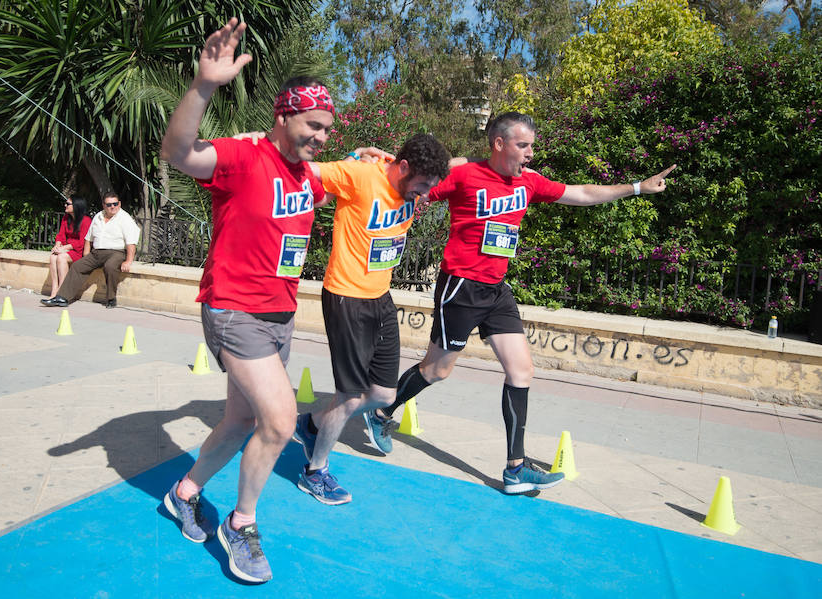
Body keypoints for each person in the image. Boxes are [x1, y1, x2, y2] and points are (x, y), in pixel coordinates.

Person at [157, 17, 377, 584]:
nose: (320, 136)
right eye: (312, 124)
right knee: (278, 423)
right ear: (283, 117)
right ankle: (242, 523)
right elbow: (178, 151)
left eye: (328, 128)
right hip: (233, 309)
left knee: (238, 420)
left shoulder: (311, 177)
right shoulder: (243, 157)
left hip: (279, 316)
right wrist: (204, 86)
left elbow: (358, 175)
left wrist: (374, 160)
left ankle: (184, 492)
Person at [363, 112, 677, 495]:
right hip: (461, 286)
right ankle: (380, 412)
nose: (530, 154)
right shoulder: (464, 175)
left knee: (522, 370)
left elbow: (579, 193)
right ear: (499, 144)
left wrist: (637, 187)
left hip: (496, 290)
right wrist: (385, 163)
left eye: (531, 146)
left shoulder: (529, 182)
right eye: (523, 146)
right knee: (436, 370)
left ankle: (515, 468)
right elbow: (416, 185)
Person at [291, 133, 450, 506]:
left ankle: (311, 425)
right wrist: (352, 155)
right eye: (423, 186)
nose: (426, 195)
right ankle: (314, 472)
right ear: (405, 168)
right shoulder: (360, 175)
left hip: (380, 297)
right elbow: (303, 171)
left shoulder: (405, 174)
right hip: (346, 296)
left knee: (382, 393)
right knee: (348, 396)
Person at [40, 192, 140, 308]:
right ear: (103, 205)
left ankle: (111, 298)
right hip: (97, 252)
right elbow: (88, 238)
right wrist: (86, 254)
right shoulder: (98, 216)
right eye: (109, 204)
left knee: (110, 266)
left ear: (119, 204)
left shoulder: (125, 219)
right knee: (78, 266)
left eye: (115, 204)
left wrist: (128, 261)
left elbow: (131, 242)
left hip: (116, 252)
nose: (112, 207)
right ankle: (62, 298)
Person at [46, 196, 91, 298]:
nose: (65, 205)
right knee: (53, 257)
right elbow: (61, 235)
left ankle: (62, 293)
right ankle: (54, 290)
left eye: (68, 204)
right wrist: (57, 245)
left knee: (61, 258)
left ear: (76, 206)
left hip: (79, 250)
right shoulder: (66, 218)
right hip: (67, 249)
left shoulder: (86, 220)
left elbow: (82, 242)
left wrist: (64, 248)